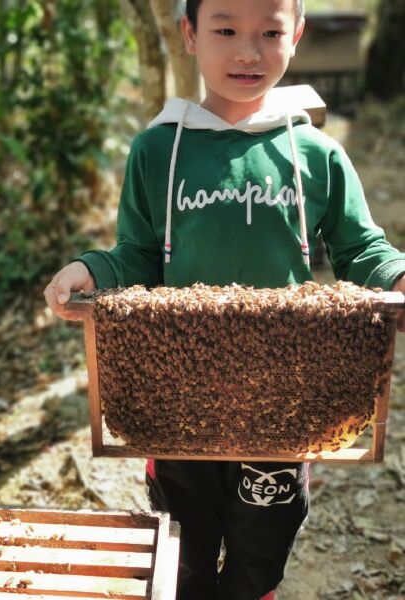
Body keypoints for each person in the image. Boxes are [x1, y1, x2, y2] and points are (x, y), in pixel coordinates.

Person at [44, 0, 405, 597]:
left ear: (298, 36)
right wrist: (90, 268)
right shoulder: (158, 150)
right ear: (189, 33)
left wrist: (395, 277)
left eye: (270, 32)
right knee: (183, 546)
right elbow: (136, 256)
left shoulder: (316, 153)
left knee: (262, 547)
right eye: (226, 29)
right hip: (176, 400)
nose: (247, 50)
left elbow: (361, 248)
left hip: (284, 397)